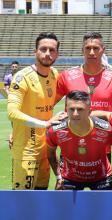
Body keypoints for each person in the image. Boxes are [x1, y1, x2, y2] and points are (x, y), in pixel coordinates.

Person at [56, 32, 112, 163]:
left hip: (102, 147)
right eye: (88, 48)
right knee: (65, 184)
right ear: (82, 50)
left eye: (96, 48)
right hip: (70, 146)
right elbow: (47, 105)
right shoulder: (66, 76)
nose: (91, 52)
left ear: (103, 50)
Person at [7, 32, 63, 190]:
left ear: (57, 53)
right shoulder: (22, 77)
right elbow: (12, 112)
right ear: (35, 51)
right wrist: (45, 123)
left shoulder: (54, 74)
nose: (47, 53)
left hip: (45, 148)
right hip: (26, 150)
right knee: (23, 201)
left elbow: (49, 100)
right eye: (43, 49)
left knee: (41, 195)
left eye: (52, 50)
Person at [47, 91, 112, 190]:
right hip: (70, 177)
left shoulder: (106, 129)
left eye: (80, 109)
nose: (75, 114)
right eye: (71, 109)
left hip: (102, 177)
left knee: (108, 205)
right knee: (63, 205)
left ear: (90, 112)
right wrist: (58, 177)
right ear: (66, 110)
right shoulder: (55, 131)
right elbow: (50, 153)